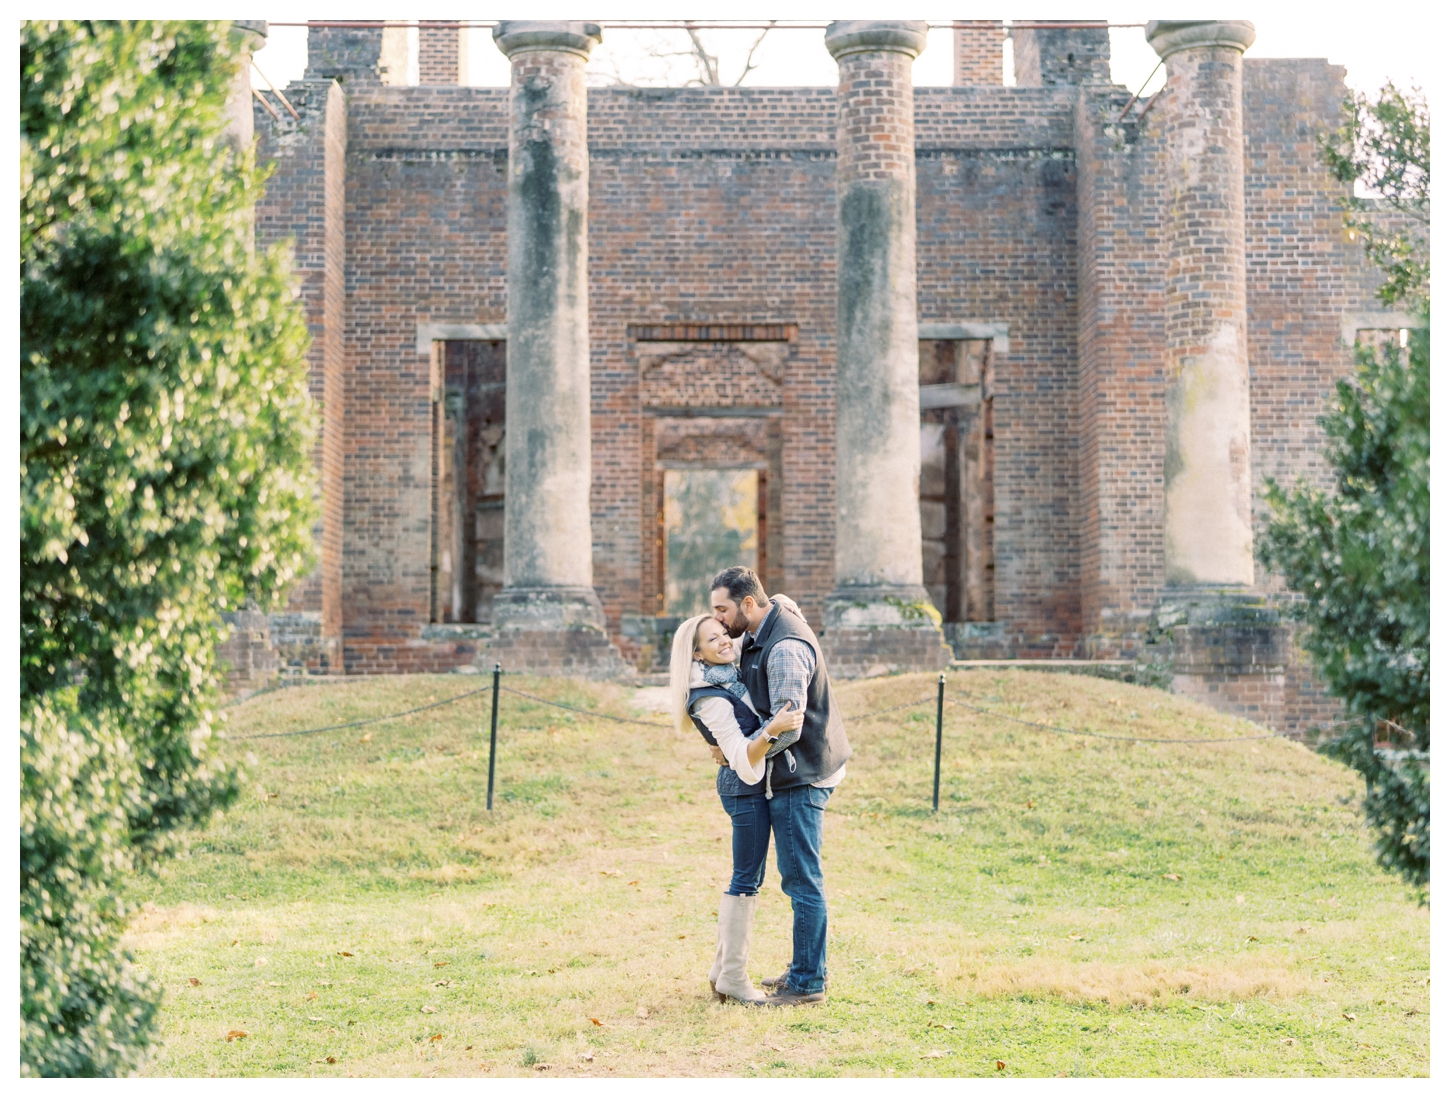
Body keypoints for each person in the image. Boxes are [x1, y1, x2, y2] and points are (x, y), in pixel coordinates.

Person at [710, 566, 851, 1006]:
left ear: (748, 604)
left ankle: (808, 983)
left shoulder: (785, 646)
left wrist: (741, 752)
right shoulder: (765, 623)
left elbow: (788, 727)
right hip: (791, 771)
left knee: (801, 879)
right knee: (798, 877)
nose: (717, 620)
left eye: (722, 609)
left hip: (802, 773)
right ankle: (806, 968)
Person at [669, 613, 805, 1006]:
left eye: (724, 633)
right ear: (697, 653)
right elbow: (741, 755)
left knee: (750, 876)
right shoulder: (708, 695)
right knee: (746, 879)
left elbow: (767, 610)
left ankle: (721, 971)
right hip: (742, 790)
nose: (726, 641)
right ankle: (733, 976)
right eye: (713, 639)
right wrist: (773, 729)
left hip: (750, 786)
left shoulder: (727, 675)